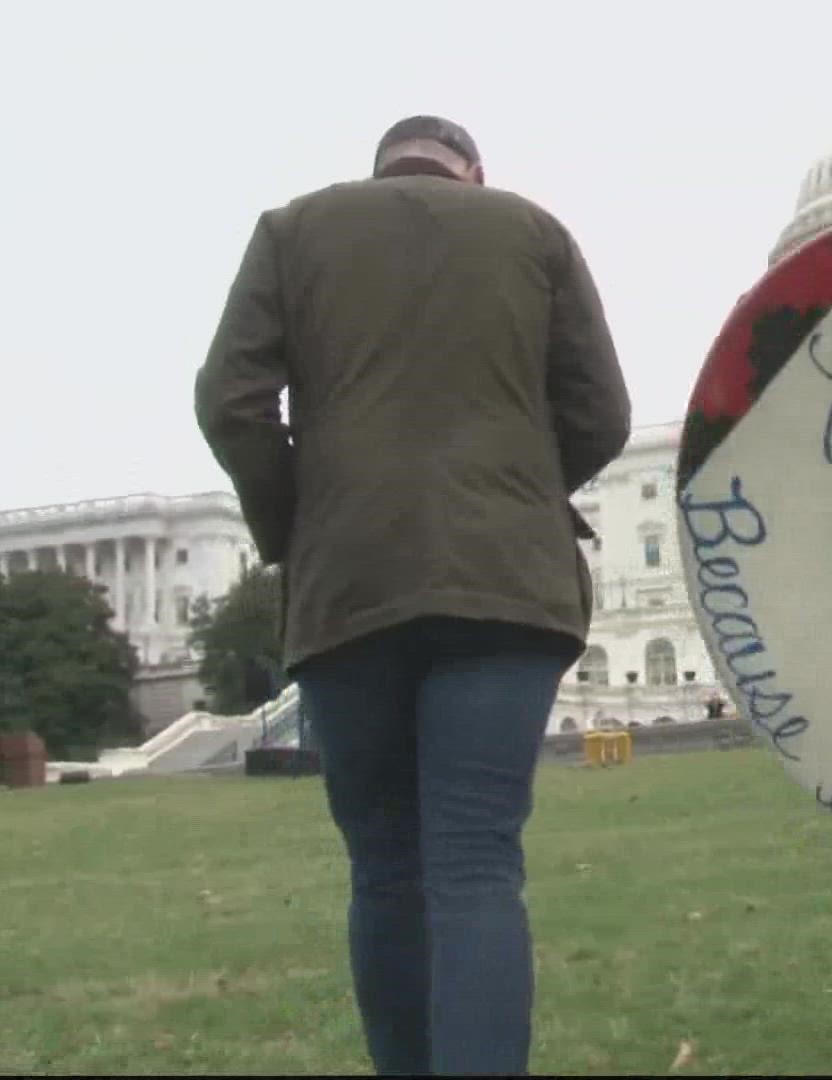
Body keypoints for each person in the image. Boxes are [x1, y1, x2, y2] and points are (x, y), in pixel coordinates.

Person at [195, 115, 630, 1075]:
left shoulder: (293, 230)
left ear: (382, 169)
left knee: (385, 870)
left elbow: (230, 399)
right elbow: (602, 412)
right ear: (473, 172)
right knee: (476, 863)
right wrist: (517, 490)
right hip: (505, 589)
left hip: (350, 581)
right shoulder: (533, 231)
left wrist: (295, 522)